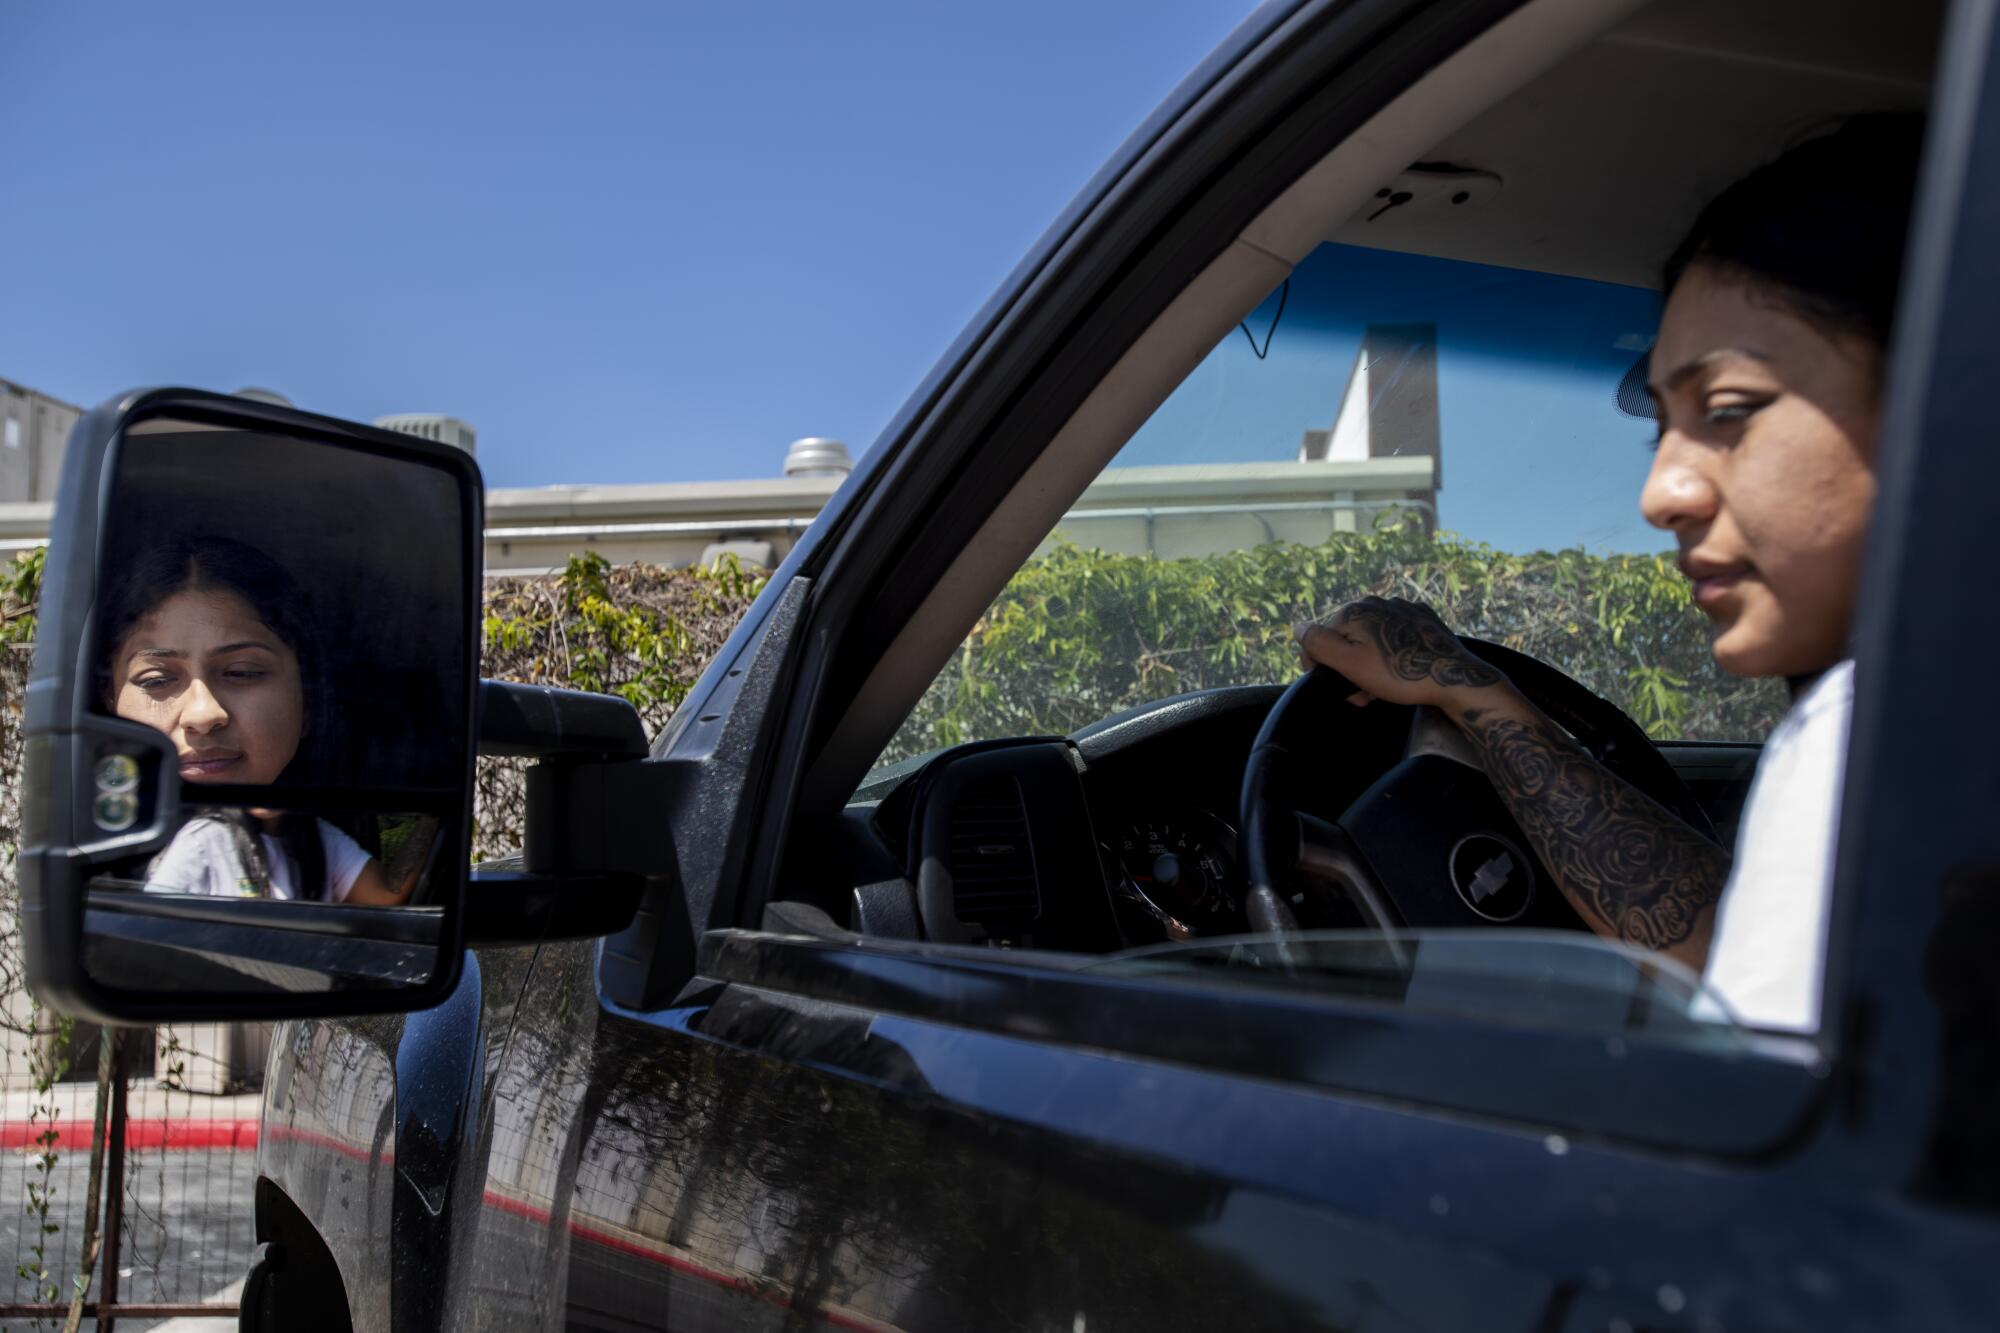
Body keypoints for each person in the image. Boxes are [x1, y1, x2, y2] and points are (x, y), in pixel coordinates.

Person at [1293, 113, 1923, 1033]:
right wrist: (1479, 698)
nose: (1661, 490)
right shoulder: (1911, 733)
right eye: (1662, 428)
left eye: (1732, 409)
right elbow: (1716, 939)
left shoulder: (1865, 734)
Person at [98, 535, 421, 906]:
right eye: (157, 680)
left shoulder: (316, 840)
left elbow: (387, 897)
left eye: (241, 672)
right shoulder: (207, 840)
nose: (204, 715)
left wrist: (442, 814)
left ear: (309, 702)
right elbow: (152, 930)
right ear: (109, 699)